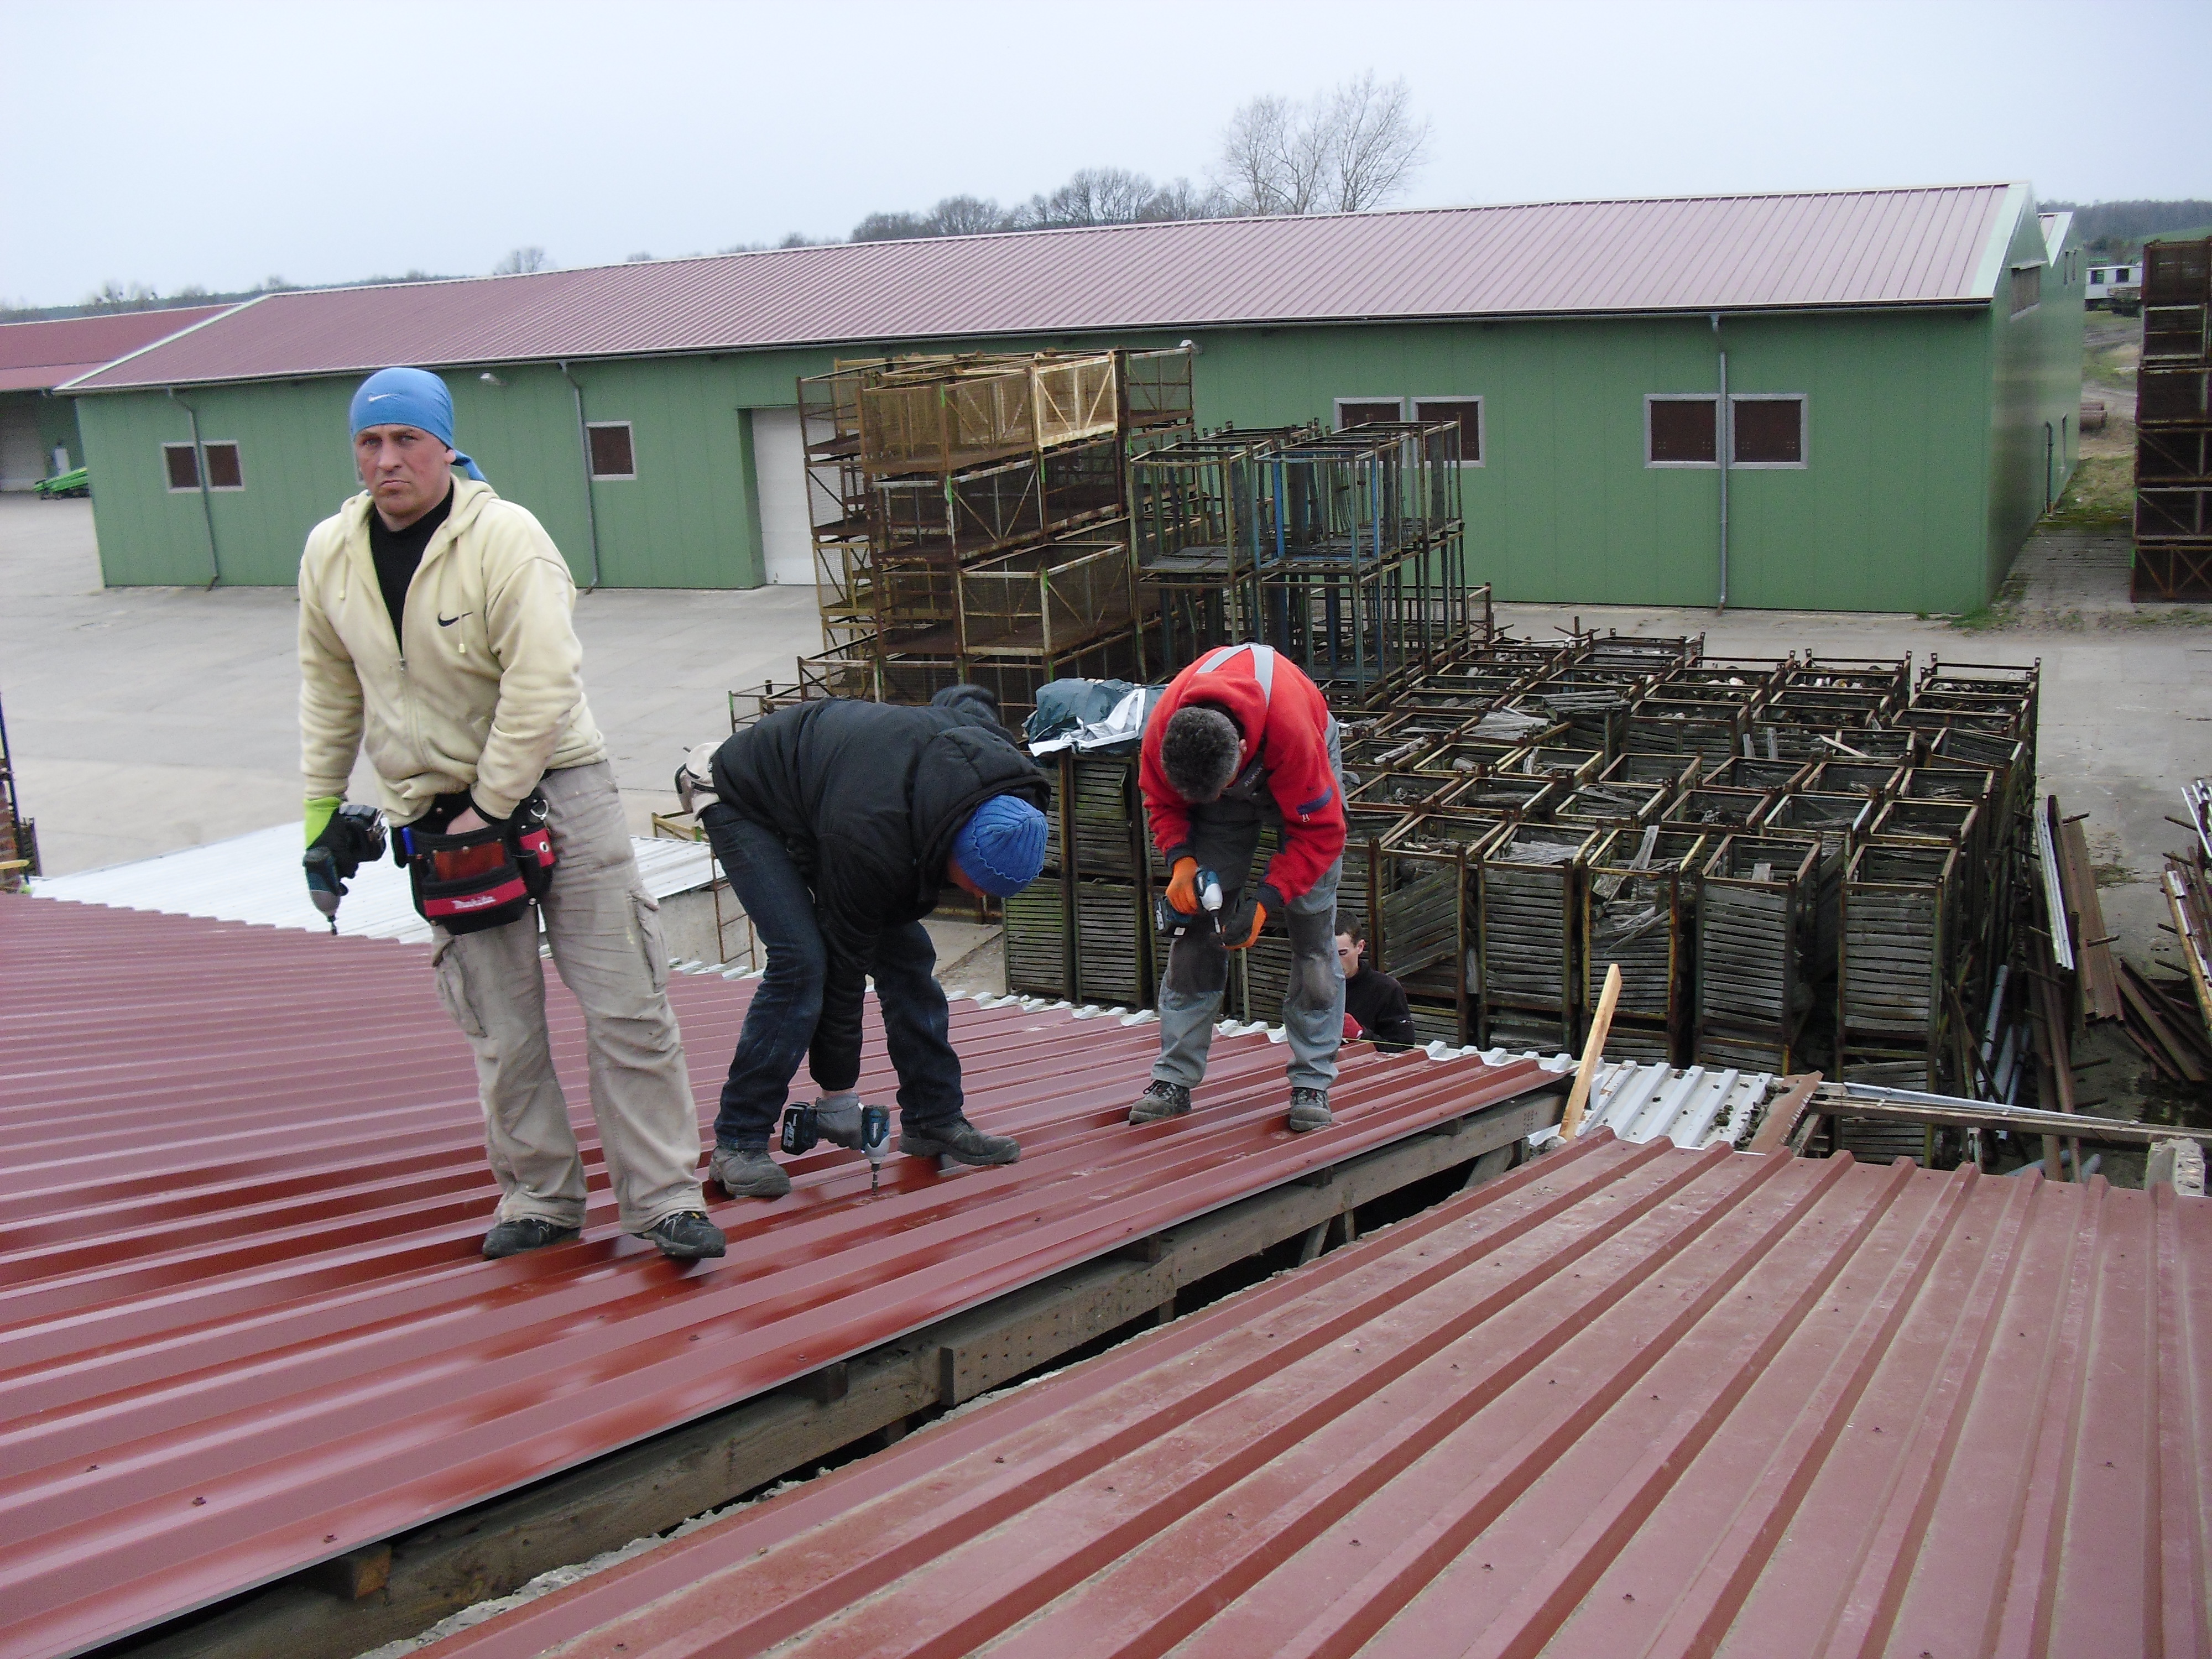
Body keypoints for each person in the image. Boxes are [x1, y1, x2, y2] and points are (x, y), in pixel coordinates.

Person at [299, 367, 724, 1262]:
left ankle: (664, 1199)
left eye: (407, 440)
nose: (387, 460)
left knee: (625, 1001)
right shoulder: (330, 555)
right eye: (370, 442)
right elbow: (330, 689)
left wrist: (490, 806)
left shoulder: (506, 539)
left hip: (558, 790)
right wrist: (320, 812)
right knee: (500, 1021)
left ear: (445, 445)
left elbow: (542, 683)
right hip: (436, 810)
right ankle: (539, 1198)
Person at [692, 686, 1051, 1197]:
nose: (980, 898)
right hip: (743, 796)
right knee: (802, 961)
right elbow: (845, 966)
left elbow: (965, 701)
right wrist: (838, 1094)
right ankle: (738, 1140)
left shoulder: (1000, 781)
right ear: (954, 845)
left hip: (831, 794)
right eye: (976, 884)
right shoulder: (874, 836)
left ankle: (933, 1118)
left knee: (909, 959)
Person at [1131, 642, 1347, 1133]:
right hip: (1223, 772)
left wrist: (1269, 900)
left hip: (1294, 763)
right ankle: (1173, 1078)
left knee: (1313, 935)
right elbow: (1161, 801)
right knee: (1196, 932)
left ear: (1243, 754)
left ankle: (1312, 1080)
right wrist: (1182, 860)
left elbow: (1321, 834)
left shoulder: (1294, 737)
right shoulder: (1163, 733)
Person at [1336, 916, 1418, 1051]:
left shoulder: (1387, 989)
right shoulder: (1310, 986)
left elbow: (1404, 1048)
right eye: (1328, 954)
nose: (1335, 961)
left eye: (1342, 953)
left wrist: (1360, 1035)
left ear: (1360, 947)